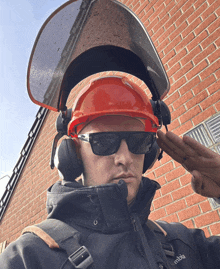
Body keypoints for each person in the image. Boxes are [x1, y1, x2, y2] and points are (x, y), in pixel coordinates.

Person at [0, 75, 220, 269]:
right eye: (103, 142)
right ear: (74, 154)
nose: (125, 159)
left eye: (139, 142)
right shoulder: (29, 258)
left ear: (151, 151)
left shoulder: (181, 243)